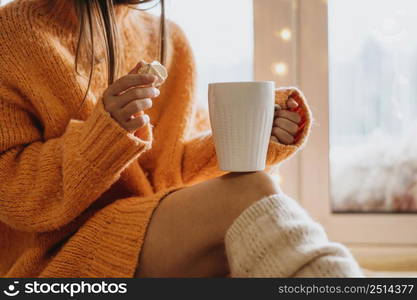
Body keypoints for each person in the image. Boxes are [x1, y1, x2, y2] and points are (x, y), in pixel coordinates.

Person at [0, 0, 362, 277]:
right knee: (251, 194)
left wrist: (250, 135)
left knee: (252, 202)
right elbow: (13, 193)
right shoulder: (12, 34)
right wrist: (103, 135)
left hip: (151, 231)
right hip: (56, 259)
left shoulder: (169, 41)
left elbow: (173, 169)